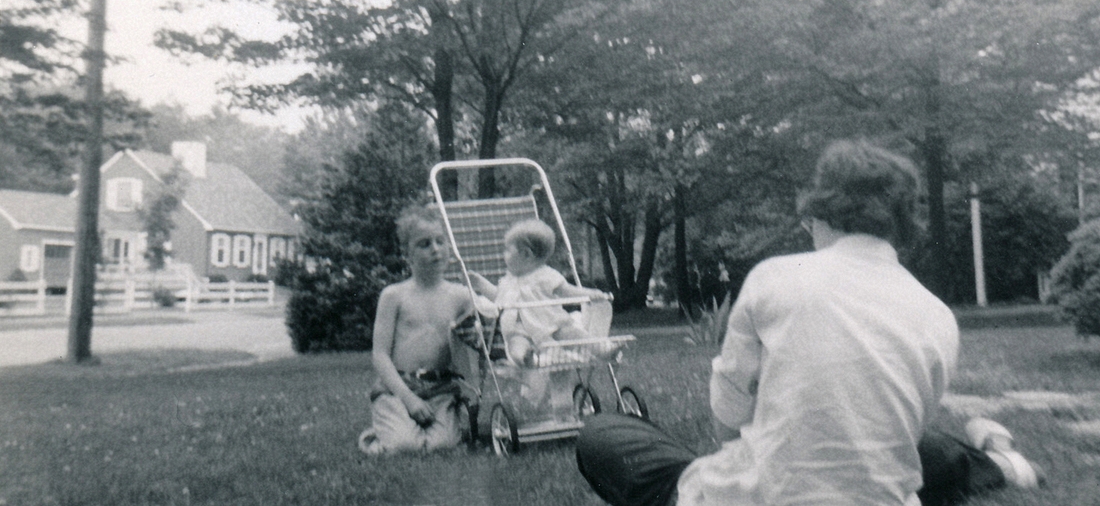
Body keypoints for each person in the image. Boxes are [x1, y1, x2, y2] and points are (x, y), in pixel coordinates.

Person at [575, 140, 1042, 505]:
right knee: (911, 448)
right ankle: (1001, 463)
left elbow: (727, 425)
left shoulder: (777, 276)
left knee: (604, 434)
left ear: (820, 211)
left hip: (756, 494)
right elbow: (906, 432)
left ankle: (996, 460)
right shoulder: (939, 315)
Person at [358, 205, 472, 455]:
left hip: (440, 388)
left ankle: (418, 430)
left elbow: (475, 340)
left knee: (443, 446)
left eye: (440, 241)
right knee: (404, 446)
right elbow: (380, 355)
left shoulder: (460, 296)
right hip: (398, 388)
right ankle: (381, 433)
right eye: (424, 244)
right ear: (406, 253)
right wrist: (408, 399)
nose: (435, 249)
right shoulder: (394, 296)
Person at [471, 218, 609, 367]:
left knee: (571, 334)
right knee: (516, 345)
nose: (504, 255)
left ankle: (601, 349)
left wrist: (590, 294)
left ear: (526, 254)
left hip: (551, 324)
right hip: (520, 329)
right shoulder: (508, 280)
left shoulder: (546, 276)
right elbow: (498, 297)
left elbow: (568, 291)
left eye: (508, 250)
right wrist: (480, 284)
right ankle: (527, 359)